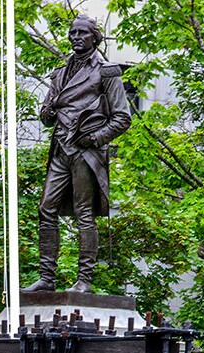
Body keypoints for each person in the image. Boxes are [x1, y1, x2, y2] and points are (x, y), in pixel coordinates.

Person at [25, 15, 132, 295]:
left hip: (85, 152)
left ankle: (84, 279)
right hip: (60, 149)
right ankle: (47, 277)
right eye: (72, 33)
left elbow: (122, 118)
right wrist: (47, 112)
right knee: (46, 209)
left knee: (84, 214)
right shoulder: (59, 74)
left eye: (82, 33)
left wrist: (95, 139)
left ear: (95, 37)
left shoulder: (106, 72)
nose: (76, 37)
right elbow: (46, 114)